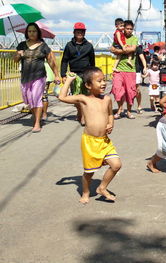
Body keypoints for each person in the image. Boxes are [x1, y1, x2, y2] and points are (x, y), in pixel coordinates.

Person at [58, 67, 122, 204]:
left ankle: (102, 188)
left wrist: (111, 123)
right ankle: (85, 192)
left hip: (104, 141)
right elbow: (62, 97)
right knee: (89, 172)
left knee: (116, 165)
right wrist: (69, 80)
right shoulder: (83, 99)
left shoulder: (107, 99)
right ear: (88, 85)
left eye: (104, 80)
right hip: (90, 142)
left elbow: (110, 114)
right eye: (99, 81)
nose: (103, 83)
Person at [14, 22, 60, 133]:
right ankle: (36, 116)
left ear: (38, 32)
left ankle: (37, 123)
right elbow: (15, 60)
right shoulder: (22, 45)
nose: (31, 33)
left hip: (39, 76)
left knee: (36, 98)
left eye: (34, 31)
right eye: (29, 31)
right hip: (25, 77)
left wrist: (57, 74)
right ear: (27, 33)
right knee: (28, 100)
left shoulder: (43, 46)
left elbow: (51, 61)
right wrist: (18, 54)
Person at [60, 22, 95, 125]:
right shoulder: (69, 45)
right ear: (74, 32)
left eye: (82, 31)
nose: (80, 33)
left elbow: (92, 61)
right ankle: (80, 112)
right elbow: (64, 60)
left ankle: (83, 116)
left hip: (86, 73)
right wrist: (63, 75)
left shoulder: (89, 46)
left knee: (85, 96)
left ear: (84, 33)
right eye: (78, 31)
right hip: (73, 75)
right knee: (76, 96)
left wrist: (93, 74)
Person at [110, 20, 138, 120]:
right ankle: (120, 109)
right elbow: (112, 49)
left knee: (130, 92)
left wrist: (120, 51)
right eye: (127, 28)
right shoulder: (119, 36)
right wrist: (122, 50)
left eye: (131, 29)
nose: (129, 30)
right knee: (117, 90)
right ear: (123, 28)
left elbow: (132, 49)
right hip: (118, 70)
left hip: (130, 70)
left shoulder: (134, 38)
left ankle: (129, 112)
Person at [42, 54, 55, 121]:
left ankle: (44, 113)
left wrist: (56, 75)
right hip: (34, 76)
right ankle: (40, 112)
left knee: (43, 95)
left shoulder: (46, 50)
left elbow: (53, 62)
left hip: (46, 76)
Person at [135, 45, 148, 114]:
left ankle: (139, 106)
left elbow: (143, 59)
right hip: (126, 71)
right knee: (126, 90)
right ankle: (123, 108)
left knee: (137, 89)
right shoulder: (125, 47)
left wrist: (145, 67)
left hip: (136, 70)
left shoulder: (138, 48)